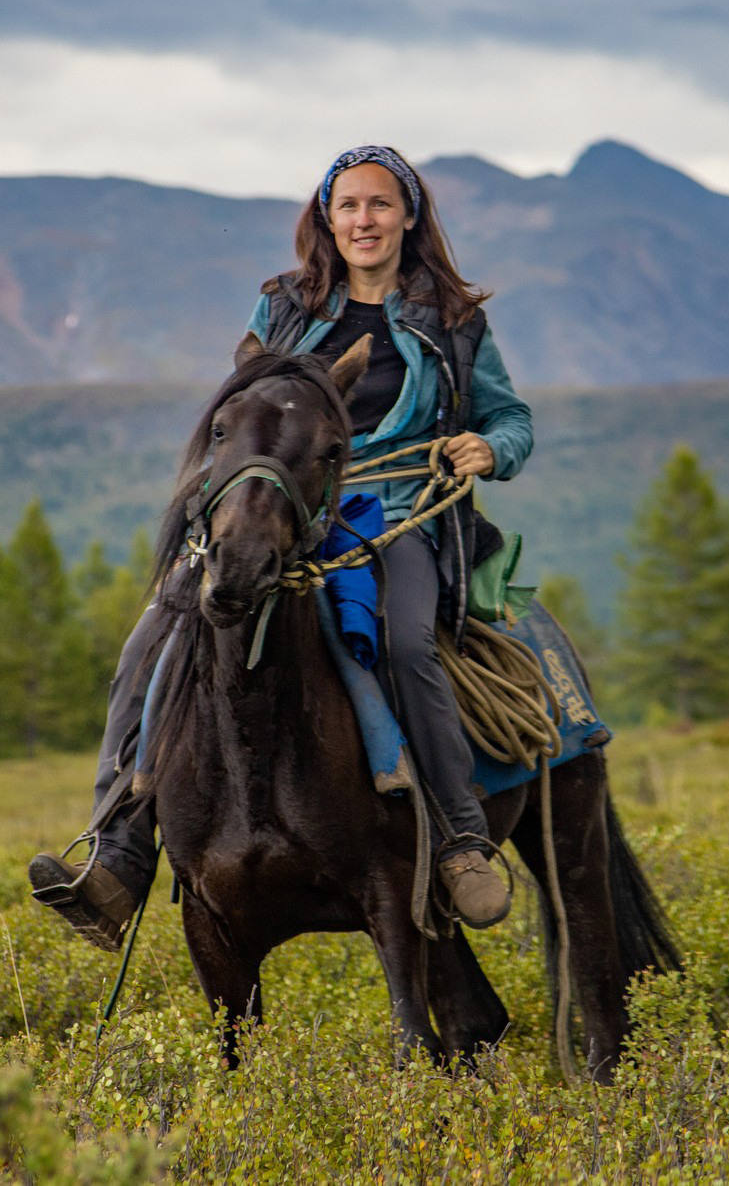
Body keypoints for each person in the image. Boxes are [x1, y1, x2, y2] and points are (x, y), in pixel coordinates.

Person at [30, 144, 534, 948]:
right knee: (155, 636)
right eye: (348, 206)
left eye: (379, 205)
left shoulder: (453, 319)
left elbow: (511, 419)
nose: (363, 220)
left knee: (406, 646)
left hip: (395, 510)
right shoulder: (285, 307)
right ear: (326, 219)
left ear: (409, 216)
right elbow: (247, 411)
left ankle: (462, 842)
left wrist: (488, 449)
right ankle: (118, 847)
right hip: (284, 508)